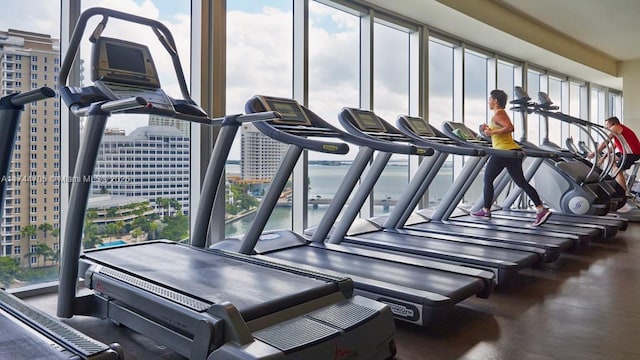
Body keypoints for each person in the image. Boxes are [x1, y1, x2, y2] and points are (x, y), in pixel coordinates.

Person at [471, 89, 551, 226]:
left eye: (490, 99)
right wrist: (487, 130)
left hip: (503, 152)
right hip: (511, 151)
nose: (489, 102)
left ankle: (486, 211)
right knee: (521, 182)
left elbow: (509, 127)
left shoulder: (499, 113)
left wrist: (491, 131)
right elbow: (501, 131)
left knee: (487, 179)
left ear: (495, 100)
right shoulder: (498, 115)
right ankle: (540, 210)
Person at [587, 116, 640, 196]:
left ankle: (624, 194)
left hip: (631, 154)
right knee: (610, 159)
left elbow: (605, 143)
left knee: (617, 171)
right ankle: (619, 176)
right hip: (627, 153)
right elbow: (612, 147)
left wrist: (593, 153)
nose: (606, 127)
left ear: (612, 123)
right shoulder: (620, 132)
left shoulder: (615, 127)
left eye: (607, 125)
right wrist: (602, 158)